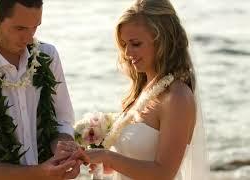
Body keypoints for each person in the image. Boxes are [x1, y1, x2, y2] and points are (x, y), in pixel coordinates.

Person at [0, 0, 85, 179]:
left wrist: (65, 151)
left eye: (35, 27)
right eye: (20, 28)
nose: (29, 38)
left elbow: (62, 120)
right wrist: (40, 174)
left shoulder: (47, 56)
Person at [83, 0, 209, 179]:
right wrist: (104, 161)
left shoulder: (177, 97)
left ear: (162, 41)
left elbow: (164, 173)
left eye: (135, 44)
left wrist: (108, 156)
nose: (127, 53)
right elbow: (135, 161)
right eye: (124, 44)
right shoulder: (141, 91)